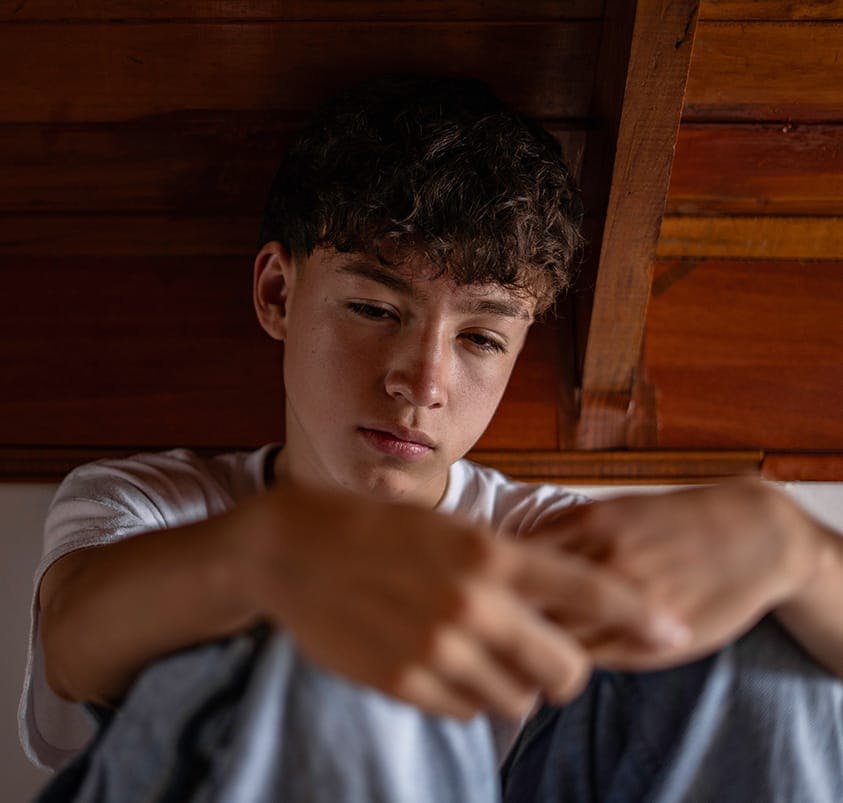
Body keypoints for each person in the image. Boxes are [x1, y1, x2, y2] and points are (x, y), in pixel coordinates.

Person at [20, 74, 843, 801]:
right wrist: (267, 554)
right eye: (373, 309)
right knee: (338, 639)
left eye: (480, 337)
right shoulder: (151, 502)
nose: (422, 383)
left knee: (756, 648)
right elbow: (72, 644)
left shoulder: (549, 542)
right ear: (277, 293)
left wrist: (796, 548)